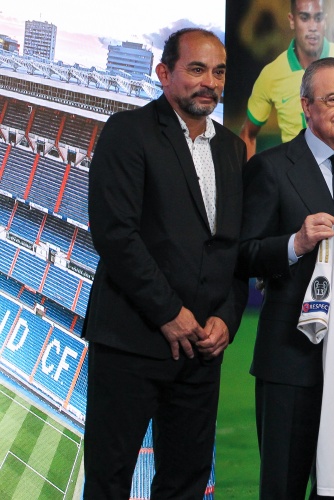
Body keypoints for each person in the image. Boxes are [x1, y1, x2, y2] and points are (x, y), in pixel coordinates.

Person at [83, 28, 247, 498]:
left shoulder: (232, 148)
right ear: (163, 73)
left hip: (202, 351)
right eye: (197, 69)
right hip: (131, 343)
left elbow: (233, 248)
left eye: (219, 72)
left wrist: (227, 318)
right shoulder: (127, 131)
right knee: (109, 481)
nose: (210, 82)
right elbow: (116, 235)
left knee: (186, 482)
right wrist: (169, 313)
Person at [239, 57, 334, 499]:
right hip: (291, 359)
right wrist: (296, 243)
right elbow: (242, 255)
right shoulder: (270, 167)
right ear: (306, 106)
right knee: (283, 487)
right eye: (333, 99)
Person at [239, 0, 334, 159]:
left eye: (318, 18)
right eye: (305, 18)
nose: (312, 27)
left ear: (325, 21)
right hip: (293, 171)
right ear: (292, 20)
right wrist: (250, 173)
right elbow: (248, 134)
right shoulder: (272, 73)